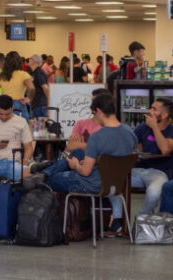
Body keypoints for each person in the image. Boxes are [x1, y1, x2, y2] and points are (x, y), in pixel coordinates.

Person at [34, 94, 136, 231]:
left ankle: (43, 176)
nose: (94, 118)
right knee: (77, 153)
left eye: (94, 113)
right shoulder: (129, 132)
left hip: (91, 184)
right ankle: (46, 170)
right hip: (117, 183)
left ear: (99, 111)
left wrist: (76, 165)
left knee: (52, 179)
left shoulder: (97, 137)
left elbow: (85, 172)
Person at [125, 97, 173, 218]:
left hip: (159, 172)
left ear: (165, 114)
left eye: (154, 109)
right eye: (150, 108)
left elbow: (165, 149)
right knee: (112, 181)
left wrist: (155, 127)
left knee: (154, 193)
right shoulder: (142, 128)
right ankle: (118, 221)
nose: (149, 111)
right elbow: (128, 145)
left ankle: (141, 219)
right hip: (138, 170)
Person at [0, 51, 34, 120]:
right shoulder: (23, 74)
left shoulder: (1, 75)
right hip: (19, 104)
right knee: (22, 128)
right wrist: (28, 99)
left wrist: (0, 97)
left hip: (5, 106)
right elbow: (31, 88)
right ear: (19, 62)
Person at [28, 54, 50, 119]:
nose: (29, 59)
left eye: (30, 58)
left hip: (40, 105)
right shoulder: (34, 72)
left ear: (34, 61)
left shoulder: (39, 72)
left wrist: (49, 102)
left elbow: (46, 88)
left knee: (40, 127)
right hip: (36, 104)